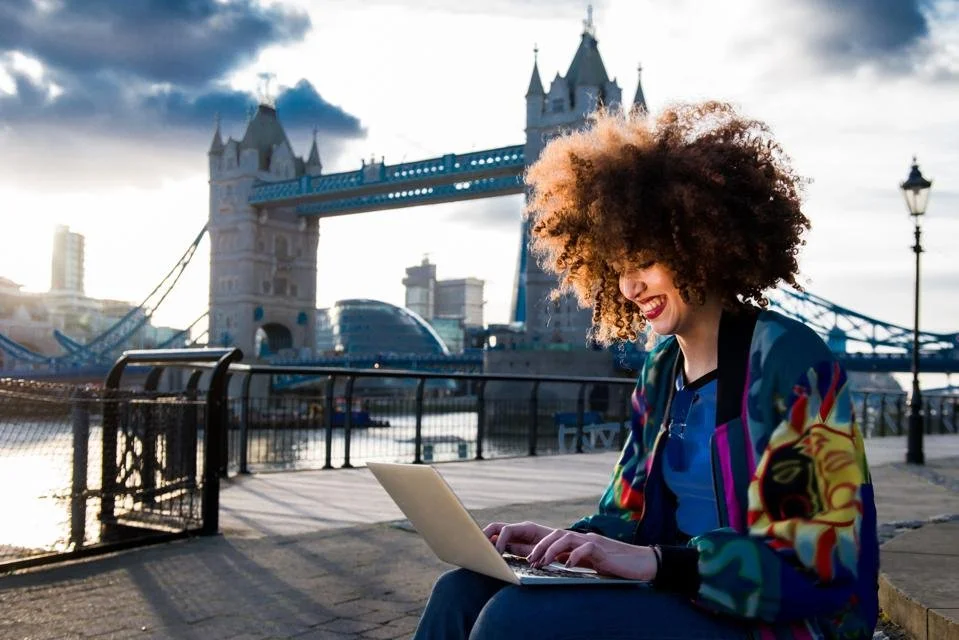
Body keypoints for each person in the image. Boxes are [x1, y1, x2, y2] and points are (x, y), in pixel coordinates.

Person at [412, 101, 879, 640]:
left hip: (781, 621)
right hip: (676, 592)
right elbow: (625, 516)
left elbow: (820, 565)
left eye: (645, 262)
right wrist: (557, 544)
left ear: (699, 244)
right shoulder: (660, 369)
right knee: (461, 590)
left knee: (512, 619)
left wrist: (660, 563)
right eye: (618, 269)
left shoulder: (789, 361)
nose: (630, 287)